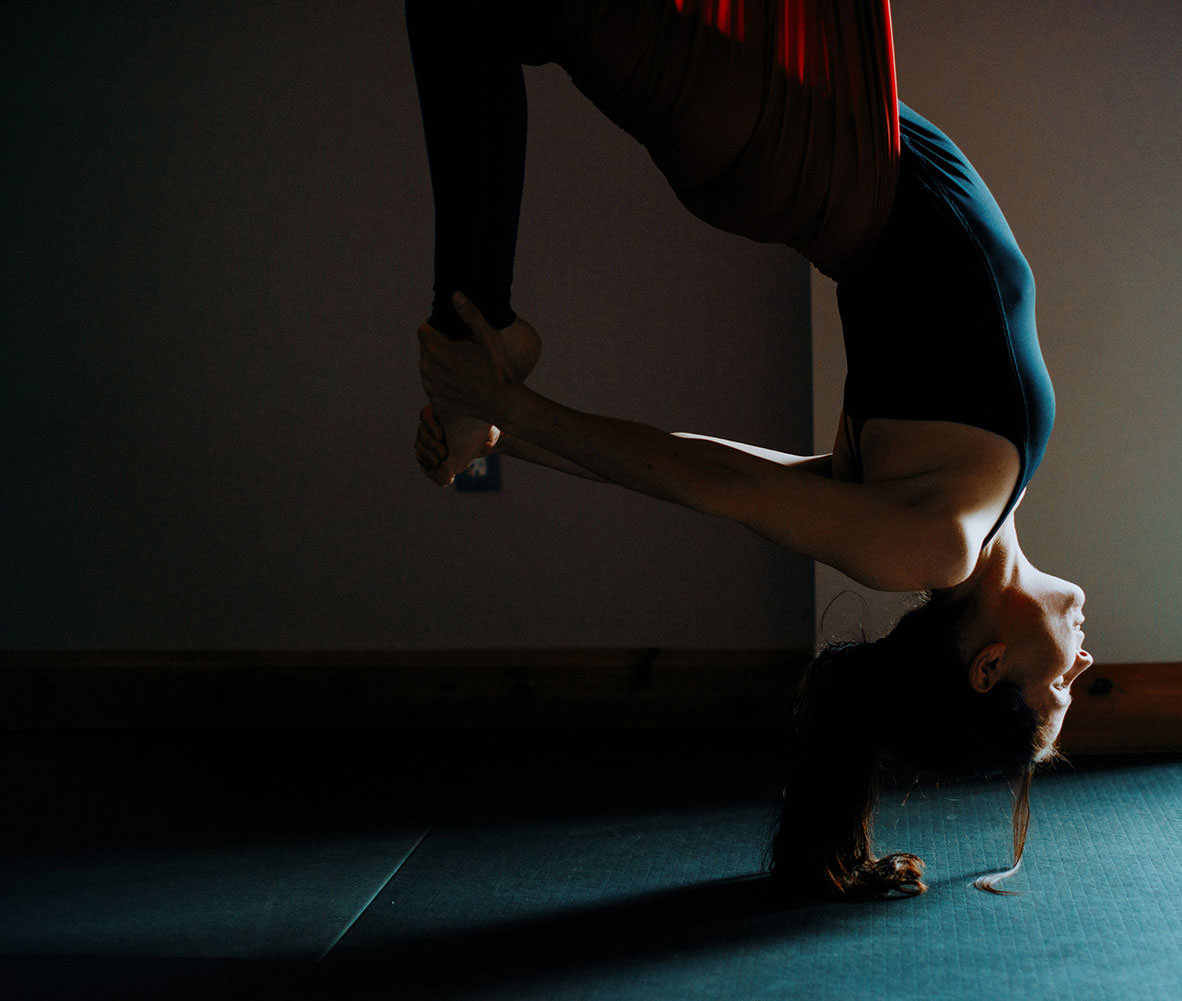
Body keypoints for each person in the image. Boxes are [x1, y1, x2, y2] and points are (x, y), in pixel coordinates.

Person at [406, 0, 1092, 898]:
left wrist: (514, 409)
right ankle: (478, 346)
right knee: (488, 21)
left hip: (791, 151)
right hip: (827, 130)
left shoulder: (935, 541)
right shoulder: (976, 507)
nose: (1082, 664)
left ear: (989, 666)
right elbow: (713, 466)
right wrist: (511, 434)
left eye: (1059, 694)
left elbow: (711, 478)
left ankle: (480, 336)